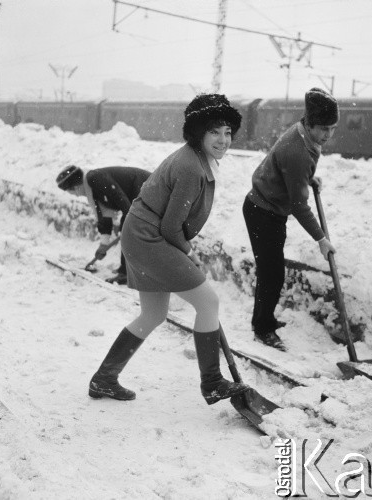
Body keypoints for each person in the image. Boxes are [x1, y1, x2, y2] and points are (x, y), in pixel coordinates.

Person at [88, 93, 251, 405]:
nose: (223, 140)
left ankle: (104, 378)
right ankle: (213, 382)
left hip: (140, 233)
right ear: (198, 133)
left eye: (228, 132)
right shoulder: (190, 166)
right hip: (149, 237)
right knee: (208, 302)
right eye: (214, 132)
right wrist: (189, 254)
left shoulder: (196, 158)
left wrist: (184, 251)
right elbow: (170, 227)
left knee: (153, 313)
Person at [242, 87, 339, 351]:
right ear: (309, 124)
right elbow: (298, 205)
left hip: (269, 206)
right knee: (271, 274)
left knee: (273, 272)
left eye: (333, 128)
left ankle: (266, 319)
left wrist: (306, 179)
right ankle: (262, 328)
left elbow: (289, 173)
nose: (328, 135)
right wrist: (321, 238)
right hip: (263, 212)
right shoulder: (297, 151)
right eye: (323, 129)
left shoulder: (302, 134)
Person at [56, 165, 150, 284]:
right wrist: (103, 245)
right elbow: (105, 216)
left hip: (147, 187)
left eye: (71, 192)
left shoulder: (94, 178)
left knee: (128, 229)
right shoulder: (93, 187)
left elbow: (119, 196)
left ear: (75, 187)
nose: (75, 195)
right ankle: (126, 270)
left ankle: (127, 273)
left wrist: (131, 219)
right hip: (138, 193)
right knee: (127, 227)